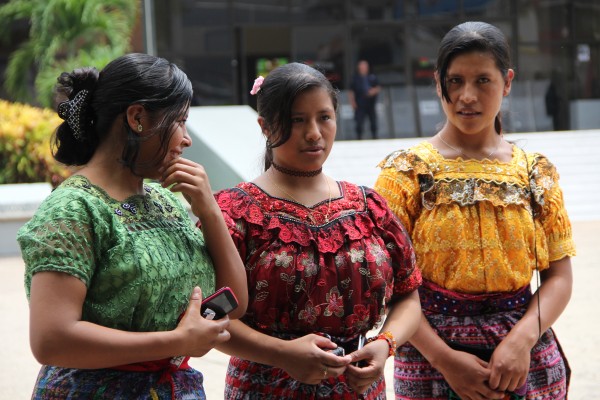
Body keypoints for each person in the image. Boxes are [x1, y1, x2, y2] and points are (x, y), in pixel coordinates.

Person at [16, 53, 248, 399]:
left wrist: (210, 211)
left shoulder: (164, 199)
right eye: (180, 121)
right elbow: (52, 339)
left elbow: (235, 301)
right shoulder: (73, 209)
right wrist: (177, 341)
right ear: (137, 117)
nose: (187, 140)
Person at [374, 21, 575, 400]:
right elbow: (389, 285)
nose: (467, 96)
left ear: (508, 81)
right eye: (455, 81)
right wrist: (445, 360)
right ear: (438, 83)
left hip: (525, 359)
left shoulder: (536, 172)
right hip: (430, 361)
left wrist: (521, 341)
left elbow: (559, 277)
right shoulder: (406, 173)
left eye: (483, 80)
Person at [213, 62, 423, 399]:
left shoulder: (368, 207)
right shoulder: (234, 214)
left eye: (324, 117)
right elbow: (210, 315)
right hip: (265, 389)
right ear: (265, 126)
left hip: (359, 389)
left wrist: (385, 343)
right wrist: (280, 353)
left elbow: (409, 293)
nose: (314, 133)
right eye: (297, 120)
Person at [349, 60, 381, 140]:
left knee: (373, 120)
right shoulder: (355, 78)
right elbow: (351, 91)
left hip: (370, 103)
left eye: (365, 66)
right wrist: (352, 102)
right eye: (361, 66)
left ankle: (374, 136)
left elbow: (378, 87)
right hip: (360, 103)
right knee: (359, 121)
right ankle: (359, 137)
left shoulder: (372, 77)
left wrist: (373, 91)